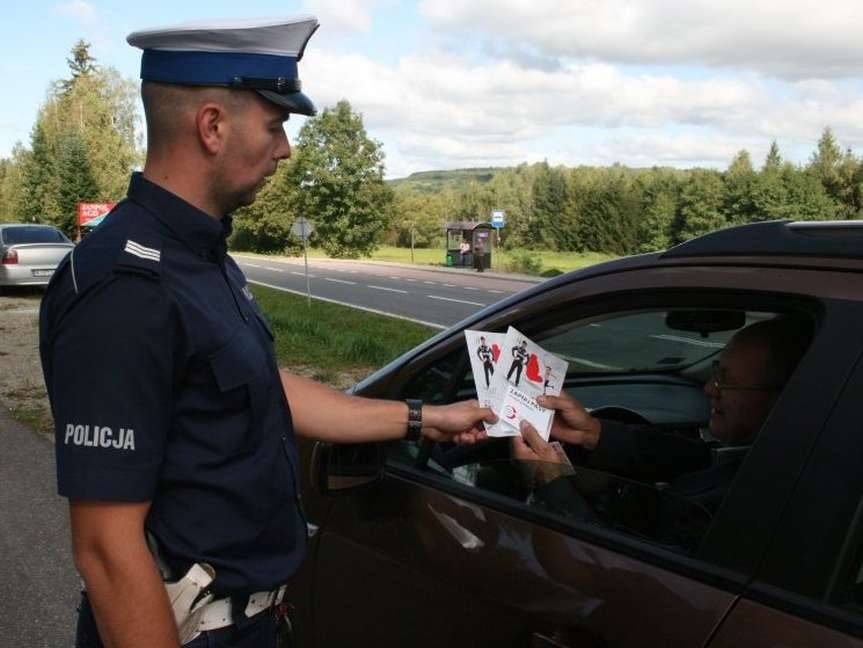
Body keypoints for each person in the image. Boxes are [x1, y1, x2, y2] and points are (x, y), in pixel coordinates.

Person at [39, 17, 495, 648]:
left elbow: (260, 386)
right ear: (212, 126)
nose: (285, 149)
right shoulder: (126, 285)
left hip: (257, 623)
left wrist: (424, 418)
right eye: (276, 124)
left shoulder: (202, 258)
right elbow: (106, 551)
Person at [513, 316, 812, 514]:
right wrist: (592, 432)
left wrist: (550, 484)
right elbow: (697, 458)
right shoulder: (755, 458)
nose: (709, 389)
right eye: (714, 374)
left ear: (785, 398)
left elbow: (608, 571)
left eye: (726, 380)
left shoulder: (760, 501)